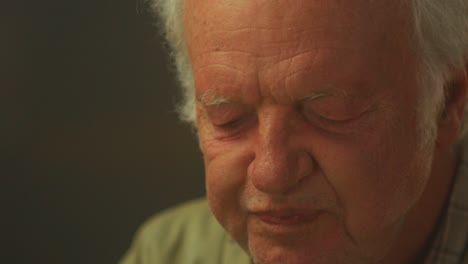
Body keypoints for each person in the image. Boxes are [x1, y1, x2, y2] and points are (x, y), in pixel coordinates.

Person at [121, 0, 468, 263]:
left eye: (329, 114)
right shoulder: (167, 252)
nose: (272, 173)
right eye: (228, 118)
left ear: (446, 102)